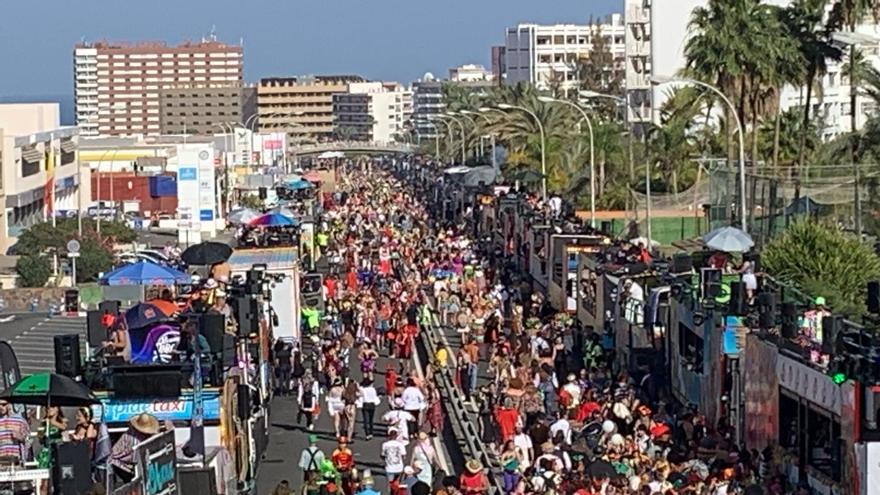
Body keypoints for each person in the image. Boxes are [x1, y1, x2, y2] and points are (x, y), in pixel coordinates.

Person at [110, 413, 159, 483]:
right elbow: (136, 459)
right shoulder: (134, 439)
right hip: (120, 465)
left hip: (128, 465)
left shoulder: (135, 433)